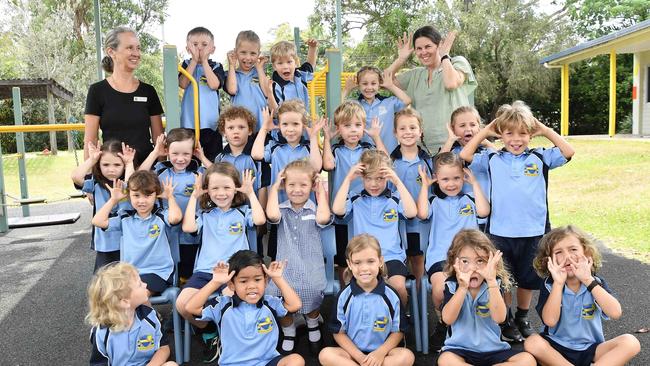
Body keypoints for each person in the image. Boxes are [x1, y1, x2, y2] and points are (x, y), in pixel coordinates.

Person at [459, 100, 575, 342]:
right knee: (505, 280)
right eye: (509, 133)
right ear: (500, 134)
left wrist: (544, 129)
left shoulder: (540, 157)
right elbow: (465, 154)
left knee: (529, 279)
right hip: (501, 232)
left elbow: (568, 152)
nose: (516, 139)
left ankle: (523, 316)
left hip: (533, 231)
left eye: (523, 133)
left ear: (531, 135)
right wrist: (486, 129)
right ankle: (507, 319)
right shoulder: (491, 158)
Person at [176, 162, 265, 363]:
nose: (221, 193)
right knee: (183, 304)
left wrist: (251, 194)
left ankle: (235, 342)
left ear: (236, 188)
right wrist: (194, 197)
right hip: (206, 273)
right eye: (215, 188)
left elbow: (260, 220)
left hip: (235, 273)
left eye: (226, 187)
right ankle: (209, 333)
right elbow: (188, 227)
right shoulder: (205, 214)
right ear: (207, 190)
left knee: (231, 300)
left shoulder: (242, 212)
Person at [524, 226, 640, 366]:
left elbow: (615, 312)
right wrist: (559, 284)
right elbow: (550, 321)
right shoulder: (550, 285)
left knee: (630, 342)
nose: (567, 256)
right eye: (559, 252)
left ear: (587, 253)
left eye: (573, 249)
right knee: (532, 342)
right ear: (549, 261)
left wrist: (587, 280)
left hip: (591, 349)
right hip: (556, 349)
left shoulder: (596, 283)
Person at [416, 152, 490, 351]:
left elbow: (484, 212)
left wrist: (474, 184)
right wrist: (425, 186)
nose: (451, 184)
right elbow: (422, 213)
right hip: (440, 258)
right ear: (436, 179)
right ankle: (443, 324)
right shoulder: (434, 201)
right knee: (441, 289)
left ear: (463, 177)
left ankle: (476, 329)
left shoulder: (469, 199)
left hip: (470, 259)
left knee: (479, 287)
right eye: (445, 179)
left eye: (456, 178)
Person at [184, 250, 305, 366]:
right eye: (243, 281)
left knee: (296, 360)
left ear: (265, 281)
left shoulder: (270, 303)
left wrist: (278, 278)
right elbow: (191, 308)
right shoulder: (223, 305)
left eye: (257, 280)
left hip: (267, 361)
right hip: (233, 364)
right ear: (231, 285)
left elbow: (295, 305)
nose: (252, 286)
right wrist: (215, 282)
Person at [437, 230, 536, 366]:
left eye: (480, 261)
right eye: (465, 261)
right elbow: (447, 319)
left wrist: (491, 282)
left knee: (527, 361)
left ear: (491, 262)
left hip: (493, 350)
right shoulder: (452, 285)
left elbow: (499, 318)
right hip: (459, 350)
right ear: (454, 262)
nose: (473, 268)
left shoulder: (494, 284)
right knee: (446, 360)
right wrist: (462, 288)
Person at [332, 150, 417, 304]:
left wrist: (397, 181)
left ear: (388, 177)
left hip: (391, 257)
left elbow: (411, 213)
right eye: (369, 178)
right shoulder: (355, 197)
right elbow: (338, 210)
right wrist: (348, 179)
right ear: (362, 177)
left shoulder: (395, 198)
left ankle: (399, 323)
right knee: (353, 292)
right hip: (362, 258)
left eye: (380, 178)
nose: (374, 184)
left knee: (398, 288)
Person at [265, 160, 332, 355]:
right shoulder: (282, 209)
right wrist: (275, 186)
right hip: (285, 268)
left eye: (303, 185)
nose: (297, 190)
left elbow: (323, 218)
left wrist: (320, 193)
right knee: (272, 294)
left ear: (311, 186)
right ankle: (289, 328)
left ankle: (312, 322)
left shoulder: (315, 209)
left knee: (312, 288)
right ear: (285, 185)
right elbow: (271, 214)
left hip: (311, 266)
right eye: (291, 185)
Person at [319, 234, 414, 366]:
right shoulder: (343, 296)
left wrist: (380, 353)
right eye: (357, 262)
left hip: (383, 354)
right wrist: (359, 358)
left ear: (380, 261)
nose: (364, 268)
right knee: (326, 355)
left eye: (370, 261)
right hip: (353, 355)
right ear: (349, 264)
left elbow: (398, 331)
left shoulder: (391, 296)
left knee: (406, 356)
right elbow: (338, 333)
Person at [321, 101, 385, 287]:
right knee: (344, 256)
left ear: (364, 127)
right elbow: (328, 165)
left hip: (364, 209)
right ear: (339, 129)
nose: (353, 130)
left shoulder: (367, 150)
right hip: (342, 210)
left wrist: (376, 137)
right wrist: (326, 138)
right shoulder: (337, 150)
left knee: (365, 250)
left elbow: (385, 161)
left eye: (358, 125)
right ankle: (345, 291)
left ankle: (371, 287)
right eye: (347, 126)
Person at [251, 101, 324, 259]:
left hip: (304, 208)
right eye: (285, 124)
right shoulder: (275, 147)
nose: (290, 129)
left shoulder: (307, 147)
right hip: (280, 207)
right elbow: (256, 154)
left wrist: (312, 137)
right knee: (278, 251)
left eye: (295, 124)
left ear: (303, 125)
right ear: (279, 125)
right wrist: (265, 128)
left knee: (304, 249)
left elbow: (316, 166)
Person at [385, 26, 477, 152]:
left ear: (439, 46)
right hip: (424, 149)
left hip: (455, 146)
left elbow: (451, 83)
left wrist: (445, 56)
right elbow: (384, 79)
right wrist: (401, 59)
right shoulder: (416, 74)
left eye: (428, 46)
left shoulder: (456, 63)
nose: (423, 52)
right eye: (419, 48)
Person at [91, 170, 181, 296]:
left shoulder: (161, 215)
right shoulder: (125, 217)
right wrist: (113, 200)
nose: (142, 201)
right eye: (136, 195)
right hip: (129, 274)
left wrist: (170, 197)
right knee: (107, 294)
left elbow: (175, 218)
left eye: (147, 195)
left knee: (135, 295)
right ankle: (149, 315)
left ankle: (148, 315)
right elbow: (97, 221)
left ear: (156, 195)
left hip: (158, 272)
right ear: (129, 196)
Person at [84, 26, 164, 165]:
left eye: (138, 48)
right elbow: (90, 141)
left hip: (145, 174)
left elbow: (159, 139)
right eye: (130, 48)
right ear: (111, 51)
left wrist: (161, 169)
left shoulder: (148, 91)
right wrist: (89, 176)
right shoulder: (97, 91)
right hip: (112, 173)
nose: (136, 53)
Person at [138, 129, 206, 280]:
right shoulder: (161, 172)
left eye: (186, 154)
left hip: (192, 230)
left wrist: (202, 157)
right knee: (173, 264)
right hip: (168, 230)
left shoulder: (199, 172)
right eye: (175, 154)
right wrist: (156, 153)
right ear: (167, 151)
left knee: (190, 265)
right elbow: (137, 178)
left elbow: (222, 175)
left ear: (193, 152)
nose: (180, 159)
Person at [87, 262, 178, 366]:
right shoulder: (102, 332)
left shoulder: (150, 316)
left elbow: (163, 347)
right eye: (139, 284)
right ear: (125, 302)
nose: (145, 285)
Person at [71, 141, 135, 271]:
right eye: (105, 164)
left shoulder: (127, 181)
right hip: (105, 243)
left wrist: (129, 164)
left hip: (128, 240)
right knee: (103, 281)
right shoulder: (95, 182)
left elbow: (130, 187)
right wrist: (92, 159)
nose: (111, 169)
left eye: (117, 164)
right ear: (99, 165)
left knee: (127, 279)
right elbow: (76, 177)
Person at [389, 107, 433, 292]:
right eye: (403, 128)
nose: (408, 132)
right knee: (400, 260)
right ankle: (401, 301)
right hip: (396, 222)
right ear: (395, 133)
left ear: (420, 131)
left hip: (420, 224)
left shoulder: (427, 160)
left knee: (417, 258)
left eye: (413, 128)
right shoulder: (391, 161)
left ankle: (418, 299)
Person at [440, 105, 495, 232]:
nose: (468, 129)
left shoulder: (485, 151)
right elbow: (437, 165)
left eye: (472, 125)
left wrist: (484, 140)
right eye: (462, 125)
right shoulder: (451, 151)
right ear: (453, 129)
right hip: (461, 215)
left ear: (479, 127)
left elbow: (501, 161)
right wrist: (450, 139)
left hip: (486, 211)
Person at [179, 26, 226, 162]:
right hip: (189, 125)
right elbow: (183, 83)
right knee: (191, 160)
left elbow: (214, 84)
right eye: (195, 45)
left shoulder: (216, 66)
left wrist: (204, 61)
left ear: (212, 49)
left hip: (211, 125)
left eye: (204, 45)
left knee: (212, 161)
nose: (199, 48)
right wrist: (194, 61)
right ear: (188, 49)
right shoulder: (186, 64)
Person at [342, 66, 411, 153]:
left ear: (379, 85)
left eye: (373, 83)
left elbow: (407, 100)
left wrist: (391, 86)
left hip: (389, 153)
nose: (369, 87)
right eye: (364, 84)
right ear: (358, 85)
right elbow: (337, 108)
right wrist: (347, 89)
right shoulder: (354, 105)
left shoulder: (389, 102)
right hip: (364, 156)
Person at [225, 30, 273, 131]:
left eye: (253, 53)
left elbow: (267, 92)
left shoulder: (259, 73)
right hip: (241, 127)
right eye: (243, 52)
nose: (248, 58)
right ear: (235, 52)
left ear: (258, 54)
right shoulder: (232, 75)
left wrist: (260, 69)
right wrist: (231, 66)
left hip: (261, 126)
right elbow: (232, 90)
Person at [268, 39, 318, 112]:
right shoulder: (275, 85)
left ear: (296, 62)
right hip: (287, 121)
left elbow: (310, 65)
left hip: (303, 120)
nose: (285, 66)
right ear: (274, 66)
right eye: (280, 63)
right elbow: (275, 112)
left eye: (289, 62)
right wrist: (269, 93)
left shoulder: (300, 75)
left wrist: (313, 48)